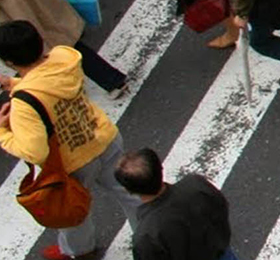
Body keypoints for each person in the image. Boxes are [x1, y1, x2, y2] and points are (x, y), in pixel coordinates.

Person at [0, 20, 143, 260]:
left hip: (73, 162)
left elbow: (34, 151)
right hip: (103, 136)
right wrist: (13, 83)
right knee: (129, 193)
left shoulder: (24, 103)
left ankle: (81, 251)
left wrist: (3, 132)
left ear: (9, 62)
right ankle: (148, 236)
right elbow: (48, 83)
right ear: (40, 41)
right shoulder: (65, 57)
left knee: (73, 211)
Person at [114, 147, 237, 260]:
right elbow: (221, 207)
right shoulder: (195, 184)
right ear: (161, 169)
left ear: (129, 190)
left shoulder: (146, 236)